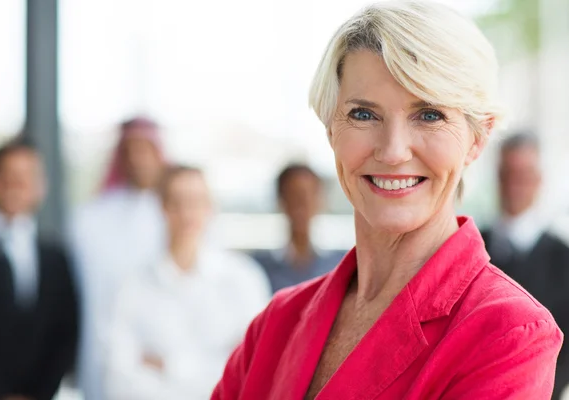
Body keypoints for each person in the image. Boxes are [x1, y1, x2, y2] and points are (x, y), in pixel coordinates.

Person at [212, 2, 563, 399]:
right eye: (363, 114)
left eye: (429, 114)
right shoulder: (277, 323)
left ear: (478, 137)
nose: (393, 151)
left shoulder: (507, 334)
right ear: (331, 130)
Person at [103, 165, 271, 400]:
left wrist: (169, 366)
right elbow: (118, 383)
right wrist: (214, 366)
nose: (186, 213)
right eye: (176, 202)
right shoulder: (132, 286)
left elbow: (253, 369)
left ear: (210, 207)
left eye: (195, 201)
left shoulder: (243, 279)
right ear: (162, 207)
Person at [0, 138, 78, 400]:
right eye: (9, 175)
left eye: (26, 177)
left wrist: (37, 394)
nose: (16, 185)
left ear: (41, 186)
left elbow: (65, 332)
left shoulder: (55, 257)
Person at [71, 117, 168, 400]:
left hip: (162, 363)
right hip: (101, 360)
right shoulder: (90, 218)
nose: (138, 160)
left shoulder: (177, 215)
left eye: (145, 150)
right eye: (130, 151)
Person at [481, 132, 569, 399]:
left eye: (524, 175)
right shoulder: (474, 247)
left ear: (538, 180)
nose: (514, 185)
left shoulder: (564, 259)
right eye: (507, 174)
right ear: (497, 178)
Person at [252, 164, 344, 292]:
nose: (301, 205)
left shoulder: (341, 264)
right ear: (281, 201)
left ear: (320, 201)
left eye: (308, 196)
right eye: (293, 196)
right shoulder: (260, 267)